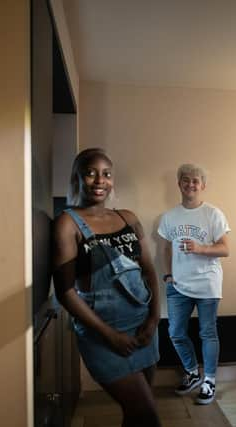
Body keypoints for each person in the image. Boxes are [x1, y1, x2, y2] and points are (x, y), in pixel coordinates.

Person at [53, 148, 161, 427]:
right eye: (90, 173)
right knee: (147, 416)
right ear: (78, 178)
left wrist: (153, 319)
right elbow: (65, 293)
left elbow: (148, 271)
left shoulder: (128, 217)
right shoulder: (67, 223)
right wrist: (109, 334)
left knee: (136, 415)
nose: (99, 180)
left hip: (142, 327)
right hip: (102, 333)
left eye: (106, 174)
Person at [157, 163, 230, 405]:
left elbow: (225, 248)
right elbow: (164, 249)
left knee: (208, 332)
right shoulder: (169, 216)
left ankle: (209, 380)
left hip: (208, 284)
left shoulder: (213, 214)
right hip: (177, 286)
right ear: (179, 183)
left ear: (203, 185)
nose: (190, 184)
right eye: (186, 180)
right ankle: (192, 373)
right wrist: (168, 276)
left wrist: (200, 248)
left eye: (195, 181)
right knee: (176, 332)